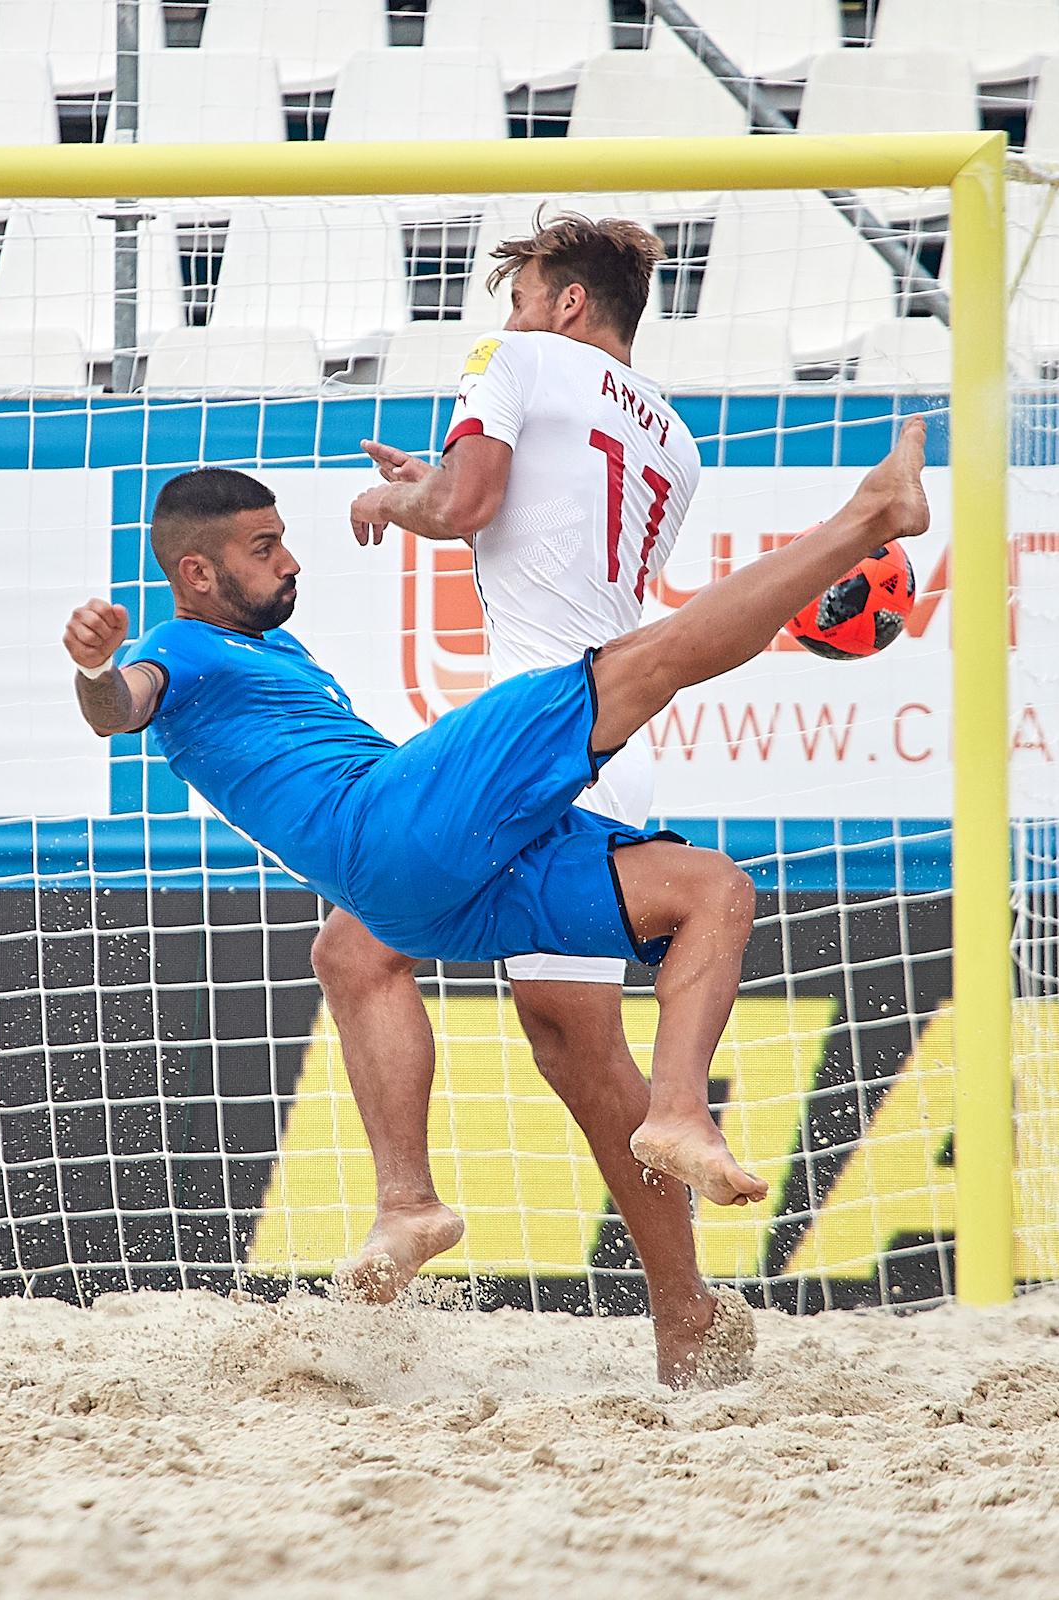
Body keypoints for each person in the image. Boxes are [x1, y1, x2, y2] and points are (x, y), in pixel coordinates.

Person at [65, 421, 931, 1385]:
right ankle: (866, 519)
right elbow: (122, 704)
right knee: (646, 664)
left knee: (712, 891)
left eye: (283, 540)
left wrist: (434, 496)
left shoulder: (276, 652)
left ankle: (446, 1193)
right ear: (195, 573)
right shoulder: (177, 651)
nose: (291, 560)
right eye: (264, 549)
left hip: (418, 890)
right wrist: (98, 673)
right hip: (389, 824)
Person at [331, 213, 722, 1379]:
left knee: (361, 950)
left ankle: (410, 1200)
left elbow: (469, 508)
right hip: (615, 736)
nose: (504, 320)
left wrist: (403, 502)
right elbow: (544, 537)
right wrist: (443, 485)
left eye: (521, 296)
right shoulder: (678, 443)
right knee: (577, 1050)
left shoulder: (515, 360)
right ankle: (683, 1310)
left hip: (531, 734)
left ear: (563, 305)